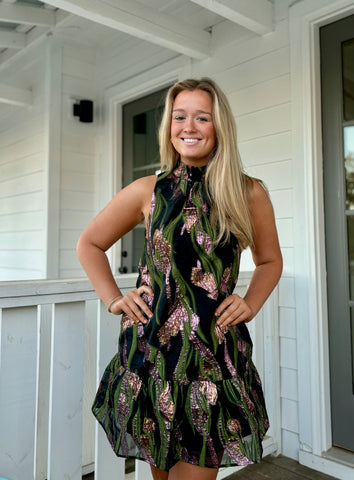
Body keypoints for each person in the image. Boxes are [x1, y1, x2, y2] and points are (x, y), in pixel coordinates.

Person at [77, 77, 283, 480]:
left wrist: (251, 302)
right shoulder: (148, 190)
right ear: (169, 127)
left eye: (201, 117)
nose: (189, 127)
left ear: (219, 126)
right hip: (151, 359)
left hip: (212, 361)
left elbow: (270, 261)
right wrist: (115, 299)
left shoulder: (248, 193)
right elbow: (89, 243)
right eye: (179, 116)